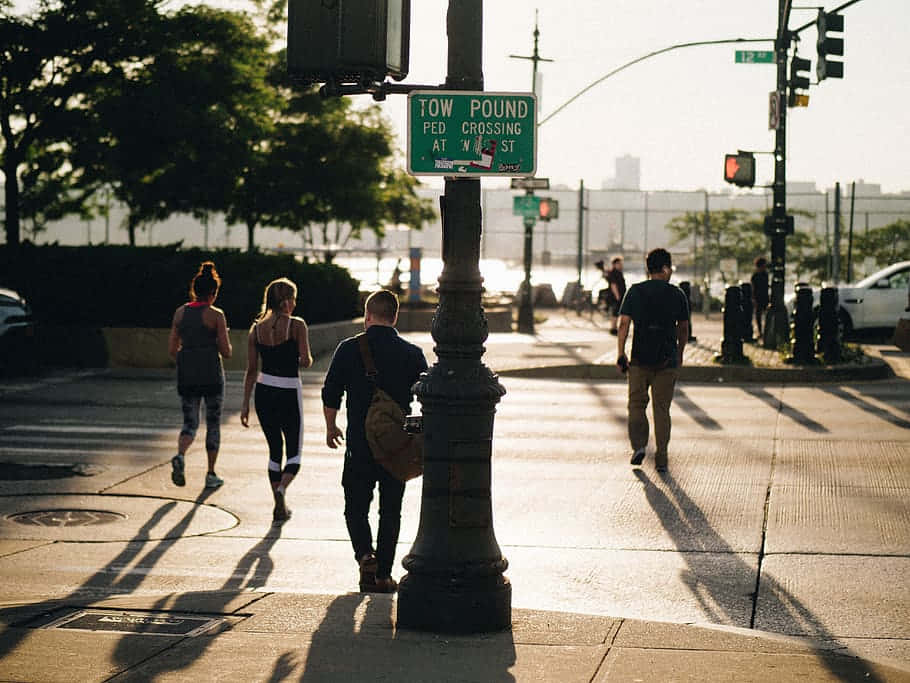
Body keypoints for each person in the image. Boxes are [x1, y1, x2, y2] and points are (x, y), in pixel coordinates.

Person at [321, 290, 428, 593]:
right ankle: (383, 575)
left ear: (368, 316)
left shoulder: (348, 349)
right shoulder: (412, 353)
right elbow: (426, 397)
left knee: (355, 506)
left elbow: (331, 393)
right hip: (396, 448)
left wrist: (331, 427)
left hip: (359, 444)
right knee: (390, 510)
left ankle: (364, 555)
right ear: (394, 317)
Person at [240, 278, 313, 522]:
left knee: (274, 450)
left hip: (263, 391)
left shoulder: (256, 329)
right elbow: (306, 360)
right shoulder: (297, 325)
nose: (294, 304)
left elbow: (251, 370)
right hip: (289, 391)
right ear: (286, 301)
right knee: (294, 452)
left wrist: (244, 405)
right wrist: (299, 357)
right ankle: (282, 489)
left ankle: (277, 502)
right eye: (293, 299)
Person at [616, 248, 689, 473]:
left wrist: (621, 352)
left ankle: (639, 446)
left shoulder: (635, 291)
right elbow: (683, 327)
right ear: (666, 268)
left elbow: (624, 324)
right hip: (666, 361)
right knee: (661, 409)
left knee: (636, 405)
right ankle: (662, 457)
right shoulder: (677, 294)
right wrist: (680, 353)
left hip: (639, 360)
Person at [168, 261, 232, 489]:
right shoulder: (216, 315)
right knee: (213, 423)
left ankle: (181, 455)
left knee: (190, 422)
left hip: (187, 375)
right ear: (213, 293)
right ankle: (211, 473)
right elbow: (227, 352)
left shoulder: (180, 313)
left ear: (194, 290)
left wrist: (188, 358)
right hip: (212, 376)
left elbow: (172, 349)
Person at [604, 256, 627, 334]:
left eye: (621, 264)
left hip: (619, 295)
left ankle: (614, 327)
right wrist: (617, 296)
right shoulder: (614, 273)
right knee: (615, 312)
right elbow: (613, 285)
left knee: (616, 312)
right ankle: (613, 328)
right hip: (616, 296)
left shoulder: (618, 272)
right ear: (615, 264)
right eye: (619, 264)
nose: (621, 265)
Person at [751, 257, 770, 338]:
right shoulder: (756, 276)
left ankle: (765, 332)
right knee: (758, 316)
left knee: (765, 315)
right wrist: (753, 298)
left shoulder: (765, 274)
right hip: (758, 298)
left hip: (764, 297)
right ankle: (760, 332)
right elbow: (753, 288)